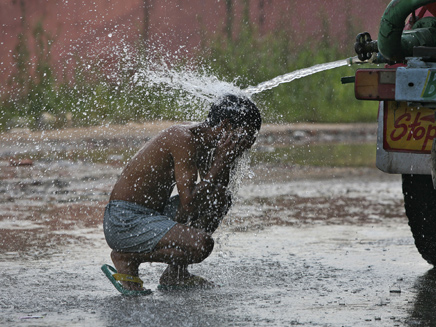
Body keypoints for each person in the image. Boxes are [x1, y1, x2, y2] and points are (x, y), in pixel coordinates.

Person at [101, 94, 262, 295]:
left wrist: (225, 160)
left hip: (152, 216)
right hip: (124, 221)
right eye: (246, 136)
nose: (249, 144)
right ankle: (127, 258)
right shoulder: (183, 138)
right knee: (201, 245)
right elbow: (190, 204)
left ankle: (175, 274)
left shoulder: (207, 141)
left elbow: (214, 193)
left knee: (221, 198)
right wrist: (220, 162)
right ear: (226, 126)